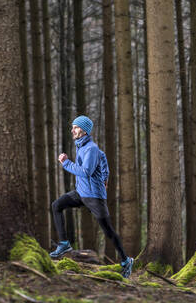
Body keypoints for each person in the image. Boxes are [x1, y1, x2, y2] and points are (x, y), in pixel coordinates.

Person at [50, 115, 134, 278]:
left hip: (94, 197)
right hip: (81, 193)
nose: (72, 130)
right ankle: (64, 244)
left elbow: (86, 171)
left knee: (108, 231)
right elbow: (103, 158)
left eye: (75, 127)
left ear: (84, 130)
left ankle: (126, 261)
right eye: (72, 127)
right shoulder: (83, 146)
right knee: (56, 205)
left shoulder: (91, 148)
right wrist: (105, 177)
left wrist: (66, 162)